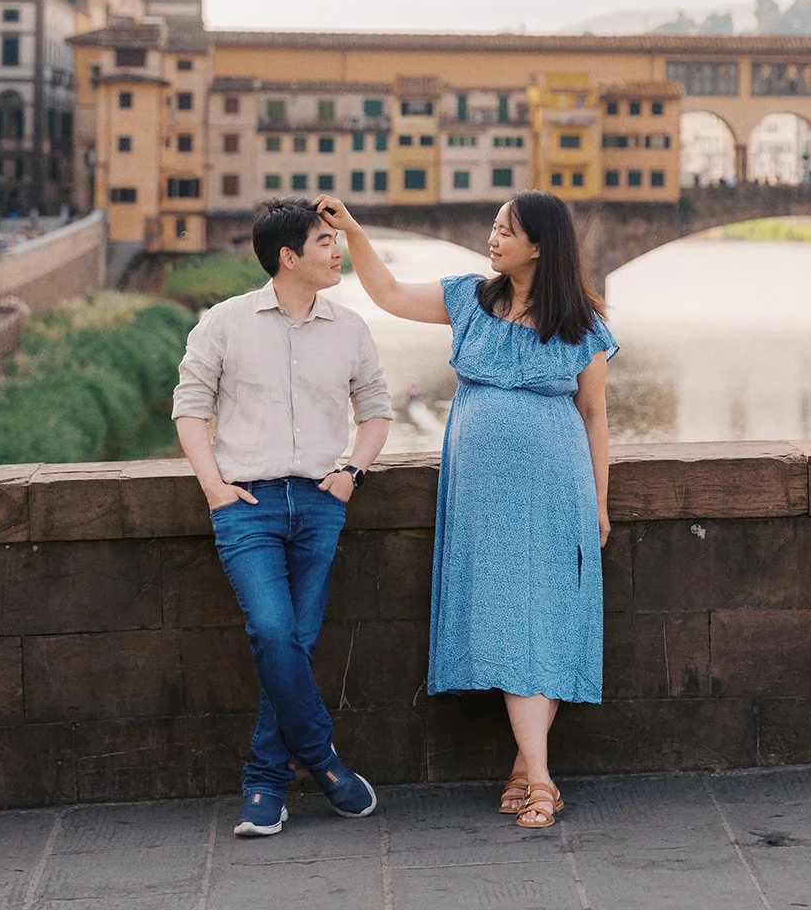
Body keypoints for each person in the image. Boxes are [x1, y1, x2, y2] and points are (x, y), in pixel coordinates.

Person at [316, 190, 617, 831]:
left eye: (506, 230)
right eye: (493, 226)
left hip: (554, 488)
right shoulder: (469, 300)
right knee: (512, 620)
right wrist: (355, 233)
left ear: (540, 244)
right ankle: (531, 772)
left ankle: (536, 778)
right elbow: (390, 294)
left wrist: (599, 500)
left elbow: (594, 416)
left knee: (546, 618)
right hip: (483, 496)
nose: (493, 237)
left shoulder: (583, 322)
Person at [172, 199, 393, 837]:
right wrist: (213, 486)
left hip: (322, 502)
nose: (338, 250)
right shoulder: (224, 323)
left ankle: (264, 786)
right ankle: (321, 761)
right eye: (326, 242)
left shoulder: (349, 327)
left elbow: (375, 408)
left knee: (296, 641)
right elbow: (190, 406)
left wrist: (352, 471)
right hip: (246, 505)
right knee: (274, 633)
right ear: (288, 257)